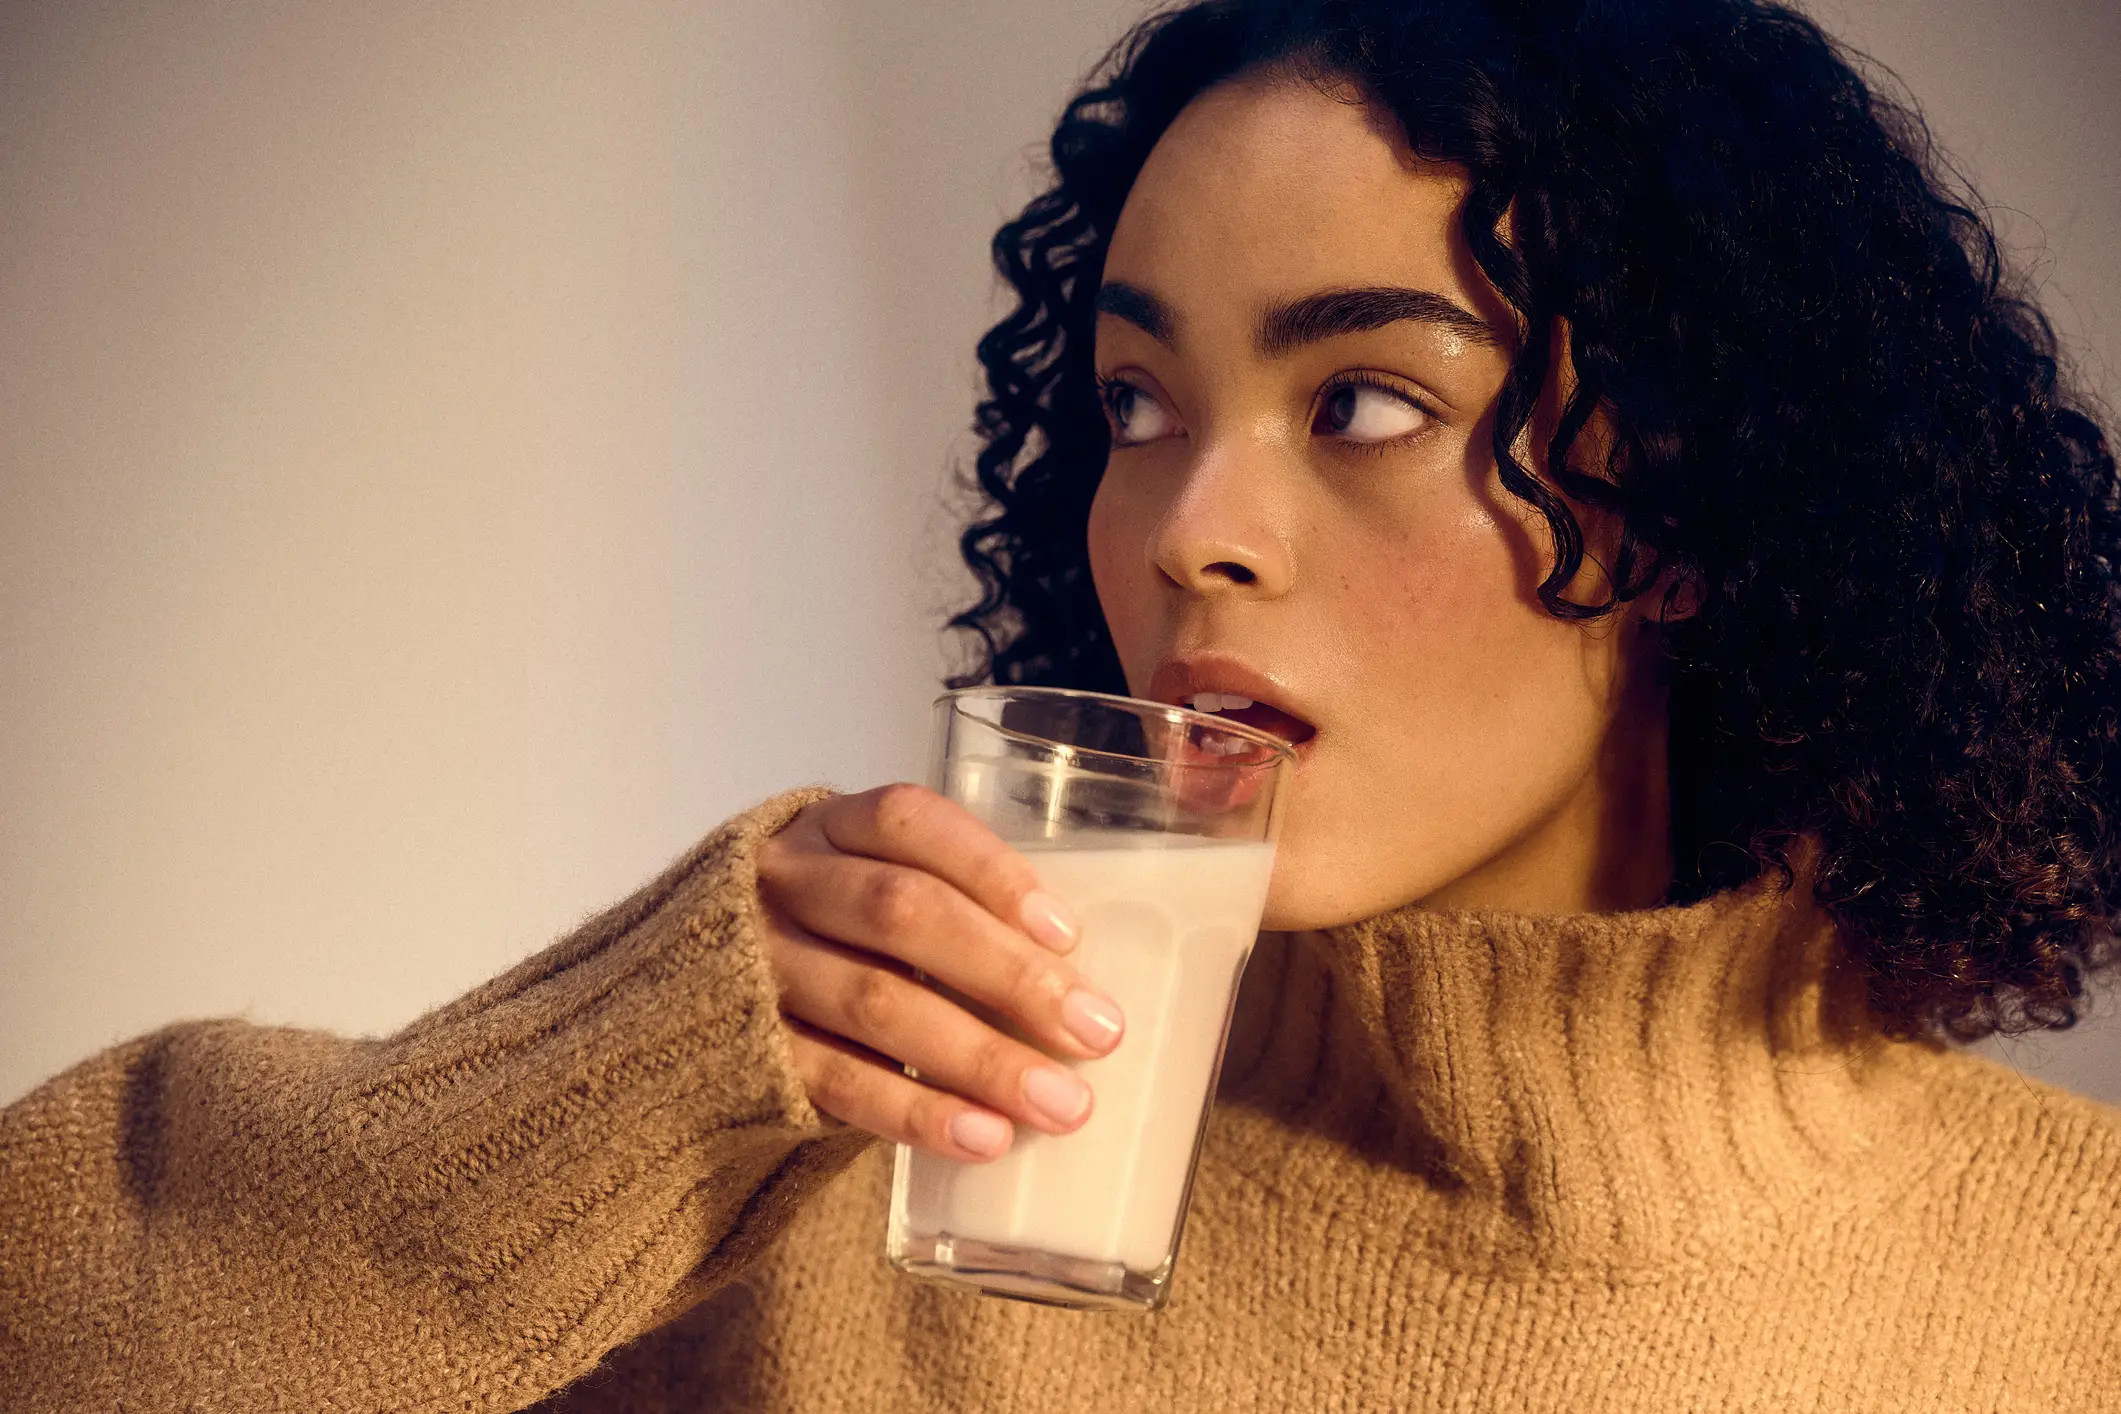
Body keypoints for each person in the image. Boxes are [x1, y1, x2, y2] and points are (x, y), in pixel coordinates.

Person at [5, 0, 2119, 1408]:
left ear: (1687, 490)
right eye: (1132, 400)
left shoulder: (2068, 1287)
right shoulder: (872, 1191)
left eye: (1362, 398)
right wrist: (628, 1071)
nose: (1188, 527)